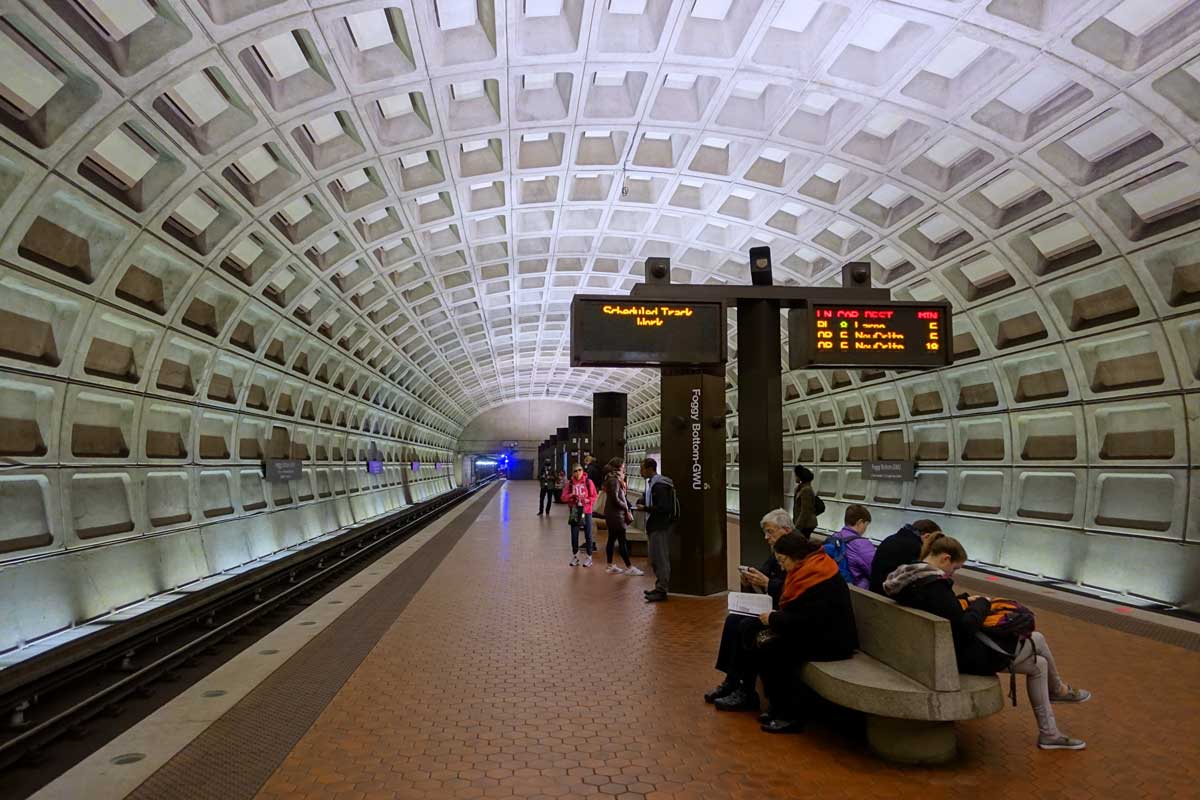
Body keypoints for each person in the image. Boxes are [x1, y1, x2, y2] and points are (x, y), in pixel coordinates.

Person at [884, 534, 1091, 750]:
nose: (953, 573)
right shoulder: (934, 585)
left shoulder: (908, 577)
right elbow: (965, 628)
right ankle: (1056, 693)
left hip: (930, 650)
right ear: (945, 559)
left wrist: (961, 601)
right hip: (956, 656)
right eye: (955, 568)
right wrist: (982, 603)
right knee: (1037, 639)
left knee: (1039, 664)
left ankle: (1050, 731)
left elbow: (944, 610)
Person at [716, 532, 858, 733]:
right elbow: (802, 614)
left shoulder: (818, 576)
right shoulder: (808, 568)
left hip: (831, 641)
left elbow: (812, 620)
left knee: (772, 647)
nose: (781, 566)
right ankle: (746, 690)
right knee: (748, 628)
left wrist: (774, 619)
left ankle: (790, 713)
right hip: (812, 631)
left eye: (782, 561)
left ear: (796, 556)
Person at [704, 509, 794, 707]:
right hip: (776, 609)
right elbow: (764, 574)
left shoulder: (796, 552)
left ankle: (746, 690)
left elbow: (793, 588)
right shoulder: (776, 554)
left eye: (770, 532)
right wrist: (750, 579)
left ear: (786, 530)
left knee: (747, 626)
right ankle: (732, 680)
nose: (766, 537)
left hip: (786, 615)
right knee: (733, 619)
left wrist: (768, 583)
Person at [636, 458, 676, 603]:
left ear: (649, 468)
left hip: (660, 526)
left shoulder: (659, 486)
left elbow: (664, 508)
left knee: (660, 558)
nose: (640, 471)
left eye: (642, 468)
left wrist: (645, 508)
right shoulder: (653, 484)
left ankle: (662, 590)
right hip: (654, 526)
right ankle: (659, 587)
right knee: (655, 558)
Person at [867, 519, 941, 594]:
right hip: (887, 596)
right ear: (927, 536)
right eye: (932, 543)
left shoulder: (891, 538)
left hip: (874, 591)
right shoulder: (916, 547)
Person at [601, 458, 643, 576]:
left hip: (613, 514)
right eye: (623, 465)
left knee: (612, 539)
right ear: (618, 466)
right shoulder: (614, 480)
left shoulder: (611, 478)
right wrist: (625, 507)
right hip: (616, 515)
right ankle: (629, 567)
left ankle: (610, 565)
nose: (624, 467)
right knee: (621, 540)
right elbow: (615, 498)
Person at [825, 504, 876, 589]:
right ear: (859, 522)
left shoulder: (834, 536)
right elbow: (874, 571)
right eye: (866, 525)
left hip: (831, 585)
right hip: (854, 592)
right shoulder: (863, 544)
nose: (865, 529)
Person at [562, 463, 597, 567]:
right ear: (572, 472)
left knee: (588, 534)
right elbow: (563, 497)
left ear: (583, 470)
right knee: (574, 534)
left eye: (580, 470)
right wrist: (571, 495)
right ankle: (575, 556)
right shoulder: (570, 483)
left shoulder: (588, 482)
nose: (578, 472)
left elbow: (594, 496)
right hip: (575, 511)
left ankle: (589, 557)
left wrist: (587, 500)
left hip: (586, 511)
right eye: (575, 471)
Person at [792, 466, 818, 537]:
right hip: (802, 523)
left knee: (802, 543)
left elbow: (805, 511)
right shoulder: (800, 488)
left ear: (800, 477)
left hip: (806, 524)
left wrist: (797, 527)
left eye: (796, 476)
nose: (795, 477)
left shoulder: (806, 490)